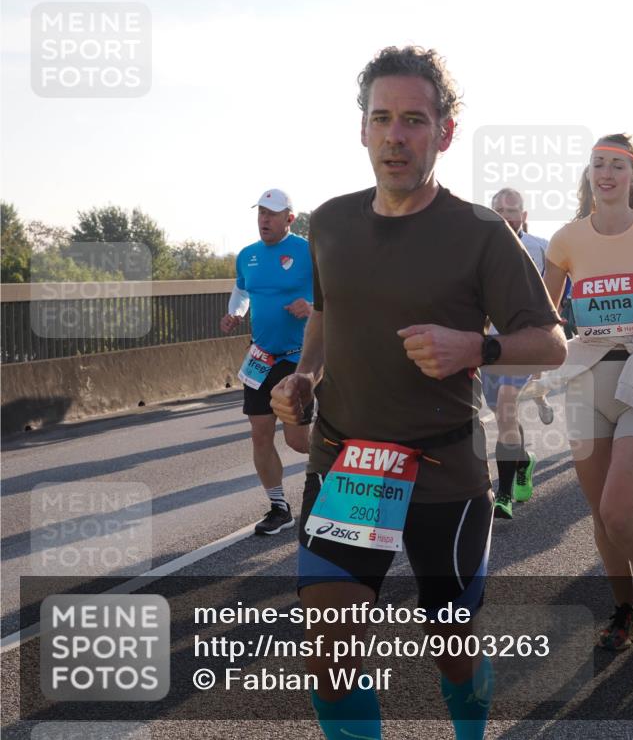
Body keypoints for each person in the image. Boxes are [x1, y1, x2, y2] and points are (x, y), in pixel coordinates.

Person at [269, 46, 566, 740]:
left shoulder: (482, 233)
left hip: (442, 470)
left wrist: (477, 347)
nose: (395, 136)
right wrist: (305, 378)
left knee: (452, 650)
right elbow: (328, 310)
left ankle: (470, 712)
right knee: (331, 656)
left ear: (444, 133)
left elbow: (549, 342)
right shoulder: (332, 222)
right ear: (363, 129)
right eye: (381, 119)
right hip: (348, 462)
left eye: (412, 120)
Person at [540, 133, 633, 650]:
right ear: (589, 174)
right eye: (598, 165)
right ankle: (623, 611)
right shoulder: (565, 240)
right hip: (586, 379)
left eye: (616, 167)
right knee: (600, 516)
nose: (606, 174)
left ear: (632, 177)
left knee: (617, 511)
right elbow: (548, 311)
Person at [219, 188, 312, 535]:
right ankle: (278, 506)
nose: (264, 220)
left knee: (298, 441)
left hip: (299, 357)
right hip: (261, 356)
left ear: (290, 218)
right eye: (260, 213)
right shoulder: (247, 255)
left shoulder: (308, 251)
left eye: (272, 214)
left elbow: (337, 293)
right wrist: (235, 313)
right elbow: (242, 290)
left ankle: (338, 476)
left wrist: (312, 307)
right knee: (260, 434)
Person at [483, 187, 553, 520]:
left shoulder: (542, 248)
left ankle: (504, 494)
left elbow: (555, 299)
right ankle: (523, 461)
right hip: (490, 347)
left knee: (508, 405)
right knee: (503, 415)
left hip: (526, 344)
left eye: (512, 210)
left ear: (524, 215)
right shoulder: (478, 248)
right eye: (498, 209)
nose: (505, 215)